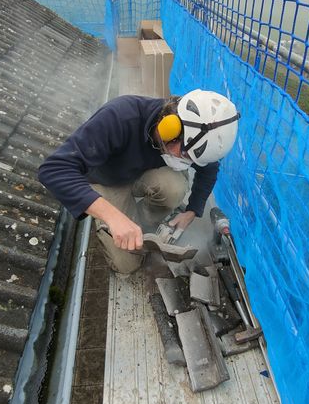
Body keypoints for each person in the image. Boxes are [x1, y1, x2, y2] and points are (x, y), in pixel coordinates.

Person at [38, 90, 239, 274]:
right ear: (170, 129)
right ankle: (114, 222)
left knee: (174, 187)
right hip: (106, 180)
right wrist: (114, 217)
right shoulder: (120, 117)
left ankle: (142, 223)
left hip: (138, 174)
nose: (189, 164)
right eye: (186, 156)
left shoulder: (194, 136)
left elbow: (209, 169)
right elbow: (53, 169)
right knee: (126, 265)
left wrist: (192, 211)